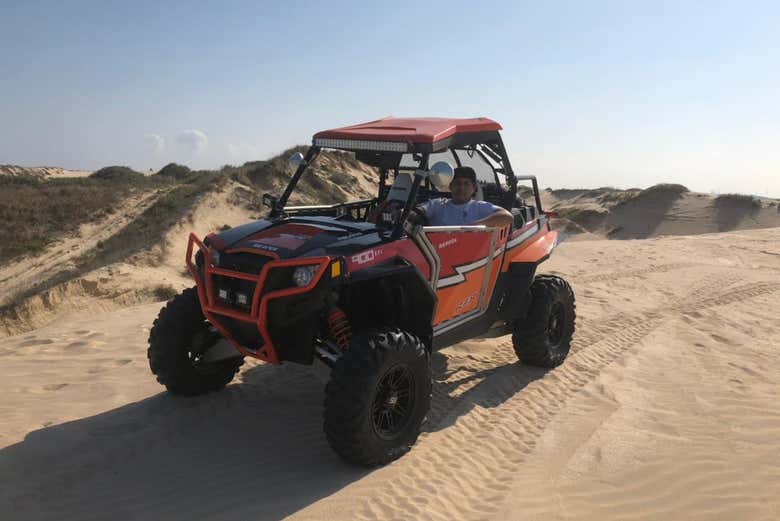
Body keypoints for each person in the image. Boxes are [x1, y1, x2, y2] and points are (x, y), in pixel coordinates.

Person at [416, 166, 513, 227]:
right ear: (450, 186)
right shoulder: (436, 205)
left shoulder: (479, 207)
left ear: (474, 188)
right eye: (457, 183)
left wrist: (475, 225)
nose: (461, 188)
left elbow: (507, 217)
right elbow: (413, 213)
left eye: (466, 184)